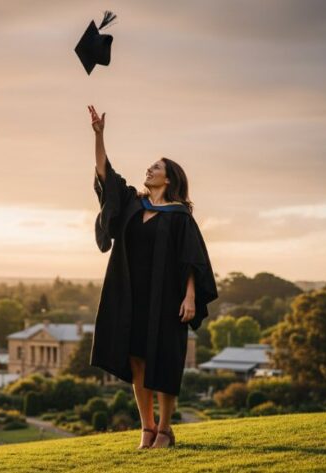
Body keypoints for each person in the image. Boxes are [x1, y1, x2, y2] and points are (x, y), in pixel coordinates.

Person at [88, 105, 218, 449]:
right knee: (136, 361)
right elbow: (105, 175)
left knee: (163, 360)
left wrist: (190, 296)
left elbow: (192, 259)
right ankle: (146, 429)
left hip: (166, 298)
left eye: (156, 167)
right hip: (130, 294)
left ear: (169, 178)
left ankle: (165, 428)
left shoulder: (180, 218)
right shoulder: (133, 204)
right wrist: (99, 136)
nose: (149, 169)